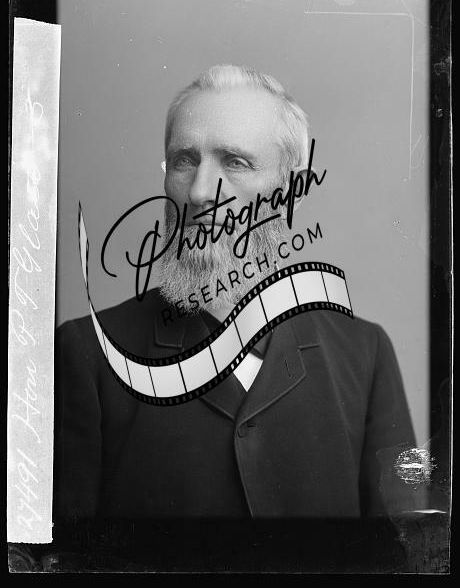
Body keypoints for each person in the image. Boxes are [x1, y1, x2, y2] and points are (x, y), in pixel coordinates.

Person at [54, 64, 416, 519]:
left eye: (235, 162)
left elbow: (402, 548)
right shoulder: (88, 352)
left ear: (291, 191)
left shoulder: (365, 352)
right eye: (184, 160)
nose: (200, 191)